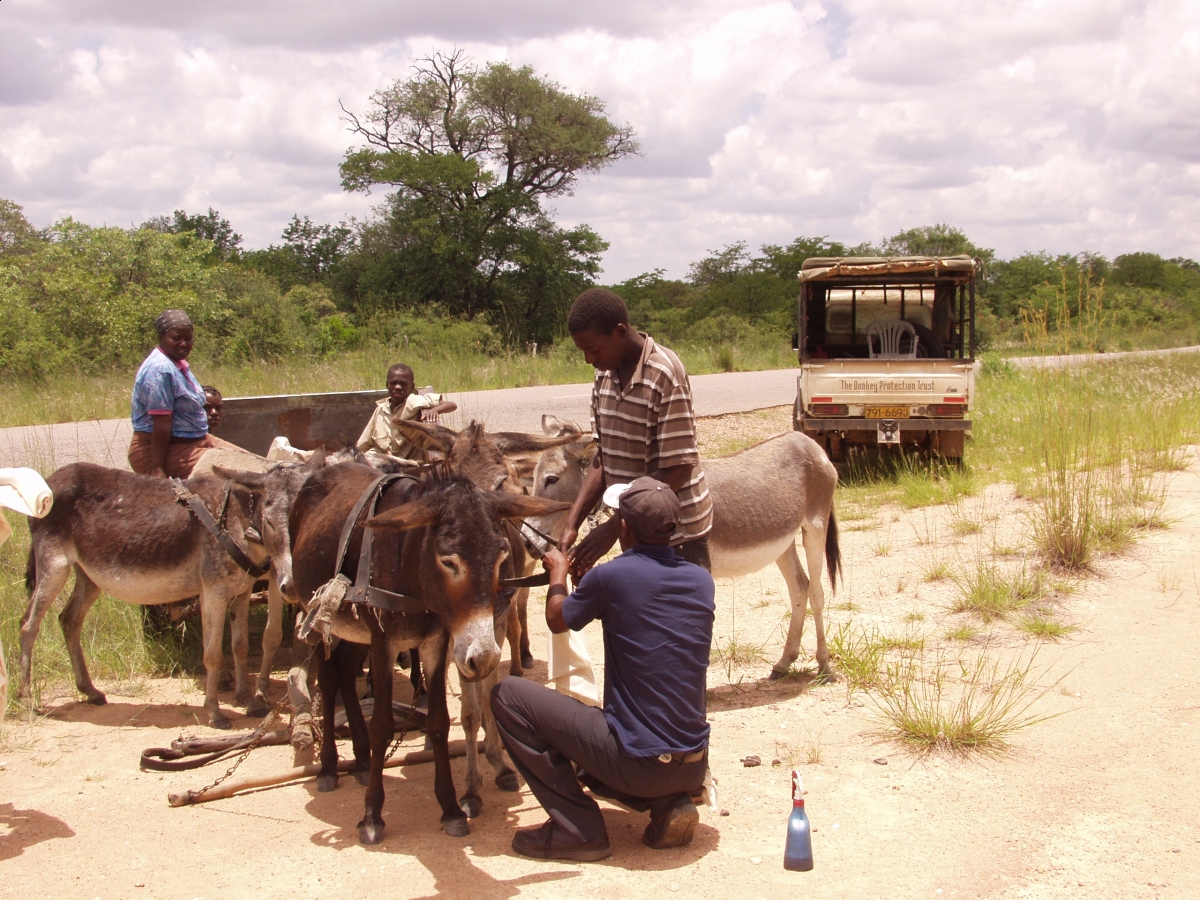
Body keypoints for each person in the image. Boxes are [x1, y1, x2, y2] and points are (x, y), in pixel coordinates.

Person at [491, 477, 715, 862]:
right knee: (606, 728)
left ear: (623, 528)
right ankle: (668, 803)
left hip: (638, 763)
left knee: (508, 696)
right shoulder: (701, 580)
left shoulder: (612, 576)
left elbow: (558, 619)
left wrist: (559, 574)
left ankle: (579, 830)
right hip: (694, 764)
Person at [558, 288, 714, 575]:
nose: (588, 359)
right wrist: (572, 523)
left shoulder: (665, 374)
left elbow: (678, 468)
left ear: (620, 331)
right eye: (582, 350)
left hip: (675, 535)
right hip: (634, 529)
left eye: (593, 349)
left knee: (675, 617)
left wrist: (613, 528)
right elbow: (605, 457)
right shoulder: (604, 374)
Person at [128, 310, 237, 479]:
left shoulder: (176, 363)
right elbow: (162, 423)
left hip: (196, 442)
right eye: (177, 338)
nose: (184, 343)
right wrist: (157, 468)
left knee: (257, 466)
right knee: (239, 475)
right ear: (162, 337)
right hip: (162, 451)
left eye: (188, 338)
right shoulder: (160, 370)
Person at [355, 363, 457, 467]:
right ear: (387, 384)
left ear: (412, 386)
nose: (398, 387)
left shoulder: (415, 402)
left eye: (403, 384)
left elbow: (451, 405)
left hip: (407, 464)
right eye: (393, 383)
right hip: (381, 460)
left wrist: (435, 410)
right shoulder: (380, 409)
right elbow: (364, 443)